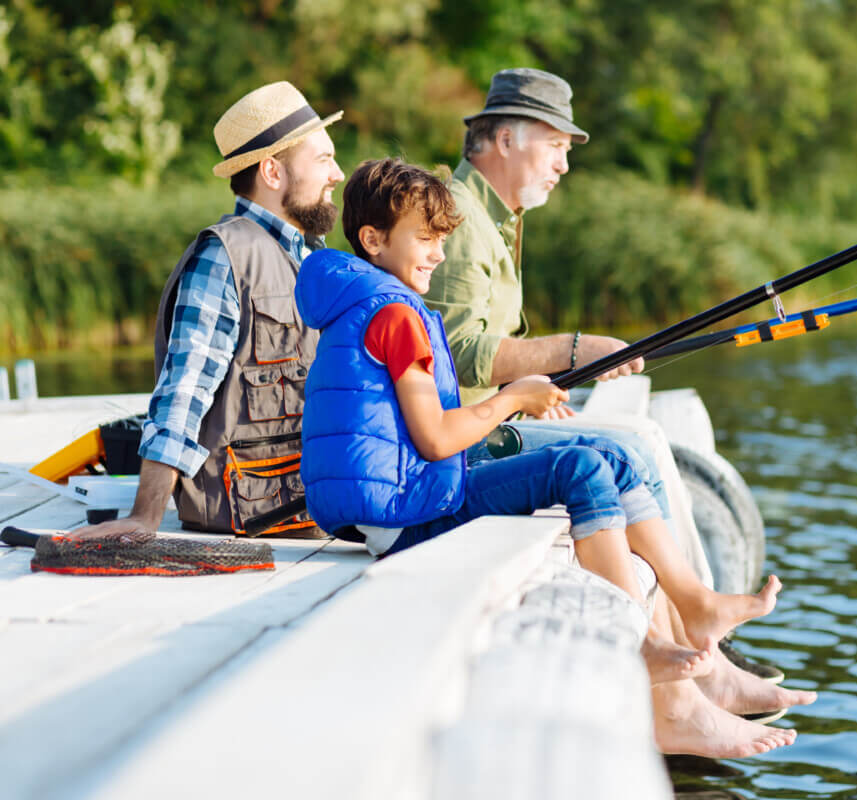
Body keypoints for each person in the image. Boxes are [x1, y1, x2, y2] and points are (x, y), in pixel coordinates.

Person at [296, 159, 789, 709]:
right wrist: (514, 398)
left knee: (612, 458)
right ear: (373, 239)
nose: (438, 252)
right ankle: (640, 637)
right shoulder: (394, 316)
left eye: (442, 239)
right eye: (426, 238)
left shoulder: (358, 303)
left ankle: (693, 601)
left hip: (399, 499)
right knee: (578, 468)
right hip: (405, 514)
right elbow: (434, 439)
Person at [424, 68, 793, 697]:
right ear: (507, 140)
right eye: (558, 145)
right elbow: (456, 356)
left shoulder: (500, 218)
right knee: (641, 441)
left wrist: (548, 381)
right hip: (476, 439)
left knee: (640, 434)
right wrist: (577, 348)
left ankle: (697, 634)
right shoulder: (461, 219)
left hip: (506, 419)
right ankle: (703, 641)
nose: (565, 165)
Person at [68, 81, 345, 542]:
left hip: (306, 512)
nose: (336, 173)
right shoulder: (224, 256)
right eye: (322, 159)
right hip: (249, 525)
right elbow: (183, 393)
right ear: (272, 172)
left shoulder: (310, 256)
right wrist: (145, 517)